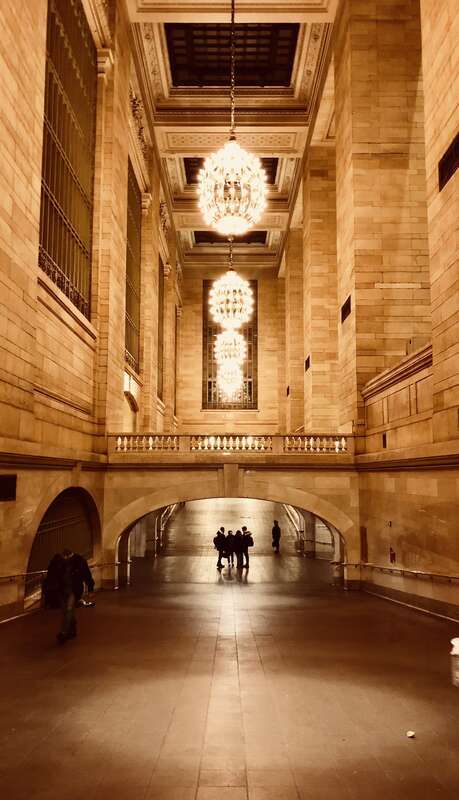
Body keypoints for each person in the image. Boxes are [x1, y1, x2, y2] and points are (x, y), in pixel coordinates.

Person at [46, 548, 94, 644]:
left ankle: (64, 633)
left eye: (67, 556)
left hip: (73, 590)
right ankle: (72, 628)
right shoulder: (57, 561)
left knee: (68, 609)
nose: (65, 558)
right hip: (61, 590)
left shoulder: (79, 560)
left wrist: (90, 588)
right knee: (65, 611)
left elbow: (86, 574)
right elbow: (51, 575)